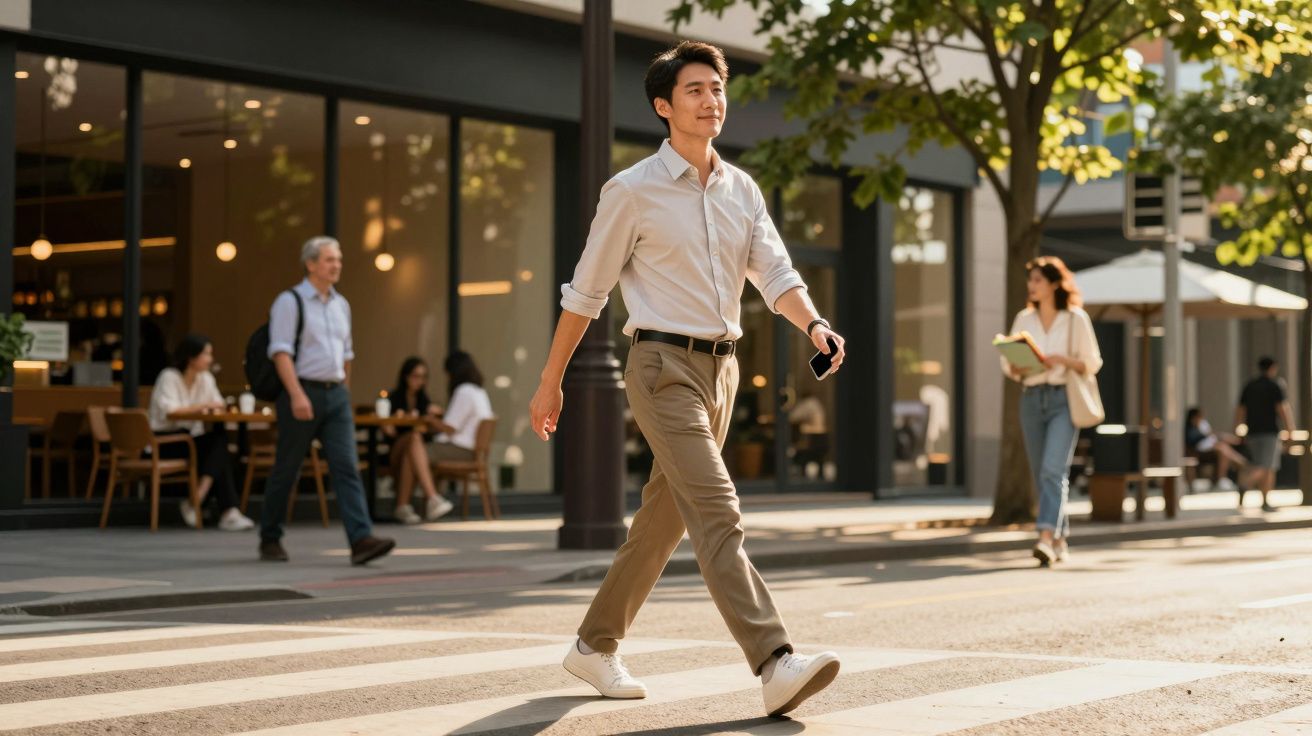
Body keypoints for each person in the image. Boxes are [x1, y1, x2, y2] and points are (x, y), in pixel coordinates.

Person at [529, 41, 846, 717]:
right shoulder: (633, 190)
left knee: (665, 520)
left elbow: (776, 275)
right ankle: (773, 659)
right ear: (663, 107)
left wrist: (815, 324)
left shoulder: (742, 189)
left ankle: (593, 644)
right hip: (661, 365)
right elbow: (586, 292)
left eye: (717, 90)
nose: (710, 101)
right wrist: (551, 379)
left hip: (722, 371)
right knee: (717, 509)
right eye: (695, 90)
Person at [260, 236, 395, 565]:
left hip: (335, 395)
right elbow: (280, 352)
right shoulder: (290, 301)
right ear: (310, 264)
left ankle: (360, 539)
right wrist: (296, 395)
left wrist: (343, 391)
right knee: (287, 469)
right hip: (302, 392)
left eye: (339, 260)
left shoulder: (341, 305)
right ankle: (270, 537)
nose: (336, 266)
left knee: (347, 467)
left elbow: (347, 354)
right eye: (329, 260)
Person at [1001, 256, 1102, 567]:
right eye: (1030, 281)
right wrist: (1017, 366)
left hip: (1062, 399)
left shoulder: (1075, 319)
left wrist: (1062, 360)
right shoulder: (1024, 319)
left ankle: (1044, 536)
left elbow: (1092, 362)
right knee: (1042, 472)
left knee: (1052, 470)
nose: (1031, 286)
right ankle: (1060, 539)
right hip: (1031, 397)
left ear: (1055, 284)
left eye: (1037, 281)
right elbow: (1008, 364)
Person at [147, 334, 255, 531]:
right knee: (219, 448)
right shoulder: (169, 376)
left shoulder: (205, 378)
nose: (210, 359)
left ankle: (201, 502)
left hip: (189, 439)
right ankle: (221, 509)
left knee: (219, 444)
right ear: (191, 357)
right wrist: (203, 406)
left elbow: (219, 405)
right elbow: (170, 411)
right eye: (206, 354)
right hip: (164, 442)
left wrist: (212, 408)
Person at [385, 356, 455, 524]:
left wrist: (432, 420)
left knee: (413, 447)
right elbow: (389, 432)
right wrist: (394, 419)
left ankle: (402, 506)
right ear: (406, 376)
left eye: (423, 377)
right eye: (416, 376)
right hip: (394, 449)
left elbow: (447, 430)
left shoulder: (424, 400)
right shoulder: (393, 399)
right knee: (413, 439)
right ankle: (432, 497)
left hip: (411, 452)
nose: (420, 381)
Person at [1235, 357, 1295, 512]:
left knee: (1258, 464)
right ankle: (1247, 487)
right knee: (1267, 466)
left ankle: (1263, 499)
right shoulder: (1275, 385)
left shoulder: (1249, 386)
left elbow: (1240, 410)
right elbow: (1283, 409)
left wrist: (1238, 428)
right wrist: (1290, 430)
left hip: (1252, 432)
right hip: (1269, 432)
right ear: (1273, 368)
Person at [1185, 406, 1243, 492]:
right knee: (1222, 449)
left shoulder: (1202, 425)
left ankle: (1240, 463)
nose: (1201, 418)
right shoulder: (1190, 429)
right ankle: (1237, 465)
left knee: (1223, 447)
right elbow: (1196, 440)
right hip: (1198, 453)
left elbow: (1211, 434)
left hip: (1209, 449)